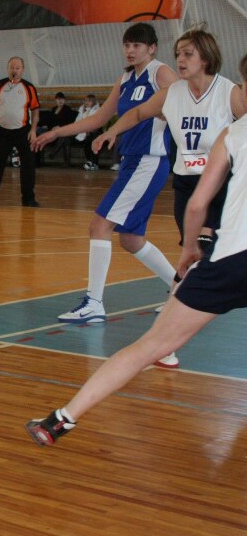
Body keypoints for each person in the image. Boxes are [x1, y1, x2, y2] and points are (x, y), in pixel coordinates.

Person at [25, 55, 247, 447]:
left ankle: (61, 420)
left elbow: (198, 204)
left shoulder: (232, 135)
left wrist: (189, 250)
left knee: (149, 346)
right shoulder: (185, 101)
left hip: (230, 260)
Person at [91, 28, 247, 367]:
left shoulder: (229, 92)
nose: (180, 59)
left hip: (222, 186)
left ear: (206, 57)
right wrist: (111, 132)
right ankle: (165, 340)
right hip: (187, 187)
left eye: (188, 54)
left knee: (204, 260)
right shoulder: (171, 94)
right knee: (194, 262)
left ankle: (164, 338)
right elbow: (136, 114)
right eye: (178, 53)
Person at [32, 24, 179, 367]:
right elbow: (99, 117)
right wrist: (57, 132)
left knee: (99, 226)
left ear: (152, 48)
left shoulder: (161, 73)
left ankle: (94, 304)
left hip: (149, 161)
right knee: (131, 238)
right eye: (127, 44)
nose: (130, 50)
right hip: (132, 162)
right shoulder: (125, 79)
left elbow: (182, 105)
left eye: (137, 45)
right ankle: (180, 286)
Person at [0, 57, 41, 207]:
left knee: (28, 166)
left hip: (23, 131)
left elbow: (35, 110)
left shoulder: (29, 87)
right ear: (7, 68)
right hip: (1, 132)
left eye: (17, 68)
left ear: (22, 70)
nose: (14, 70)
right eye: (12, 67)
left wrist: (33, 130)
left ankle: (28, 199)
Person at [72, 94, 101, 170]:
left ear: (94, 102)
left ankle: (94, 162)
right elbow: (77, 121)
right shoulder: (82, 110)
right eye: (86, 101)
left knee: (91, 139)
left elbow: (96, 122)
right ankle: (89, 161)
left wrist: (88, 129)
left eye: (89, 101)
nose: (87, 102)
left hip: (93, 131)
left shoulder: (97, 110)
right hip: (81, 130)